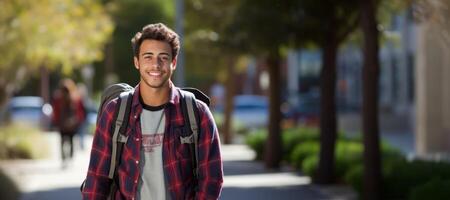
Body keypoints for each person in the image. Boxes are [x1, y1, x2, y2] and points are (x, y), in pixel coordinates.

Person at [82, 23, 223, 199]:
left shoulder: (197, 113)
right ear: (136, 62)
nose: (155, 64)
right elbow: (97, 177)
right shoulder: (115, 112)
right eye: (148, 57)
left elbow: (212, 179)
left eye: (163, 57)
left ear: (174, 62)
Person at [51, 78, 86, 168]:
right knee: (69, 141)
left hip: (66, 124)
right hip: (69, 124)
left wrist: (56, 122)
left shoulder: (65, 98)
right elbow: (81, 111)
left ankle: (66, 158)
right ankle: (68, 158)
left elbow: (55, 112)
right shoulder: (71, 98)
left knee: (65, 141)